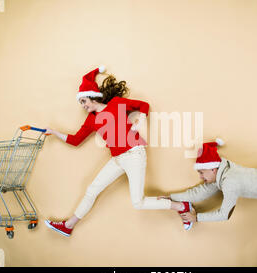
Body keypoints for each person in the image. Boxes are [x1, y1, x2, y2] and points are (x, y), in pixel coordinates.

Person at [44, 66, 190, 237]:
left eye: (84, 101)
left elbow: (144, 105)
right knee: (92, 190)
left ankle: (182, 206)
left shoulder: (116, 104)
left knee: (138, 202)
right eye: (81, 103)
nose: (83, 106)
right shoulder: (90, 121)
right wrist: (54, 132)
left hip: (134, 154)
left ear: (93, 97)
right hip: (117, 159)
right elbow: (75, 140)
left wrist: (140, 122)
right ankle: (68, 226)